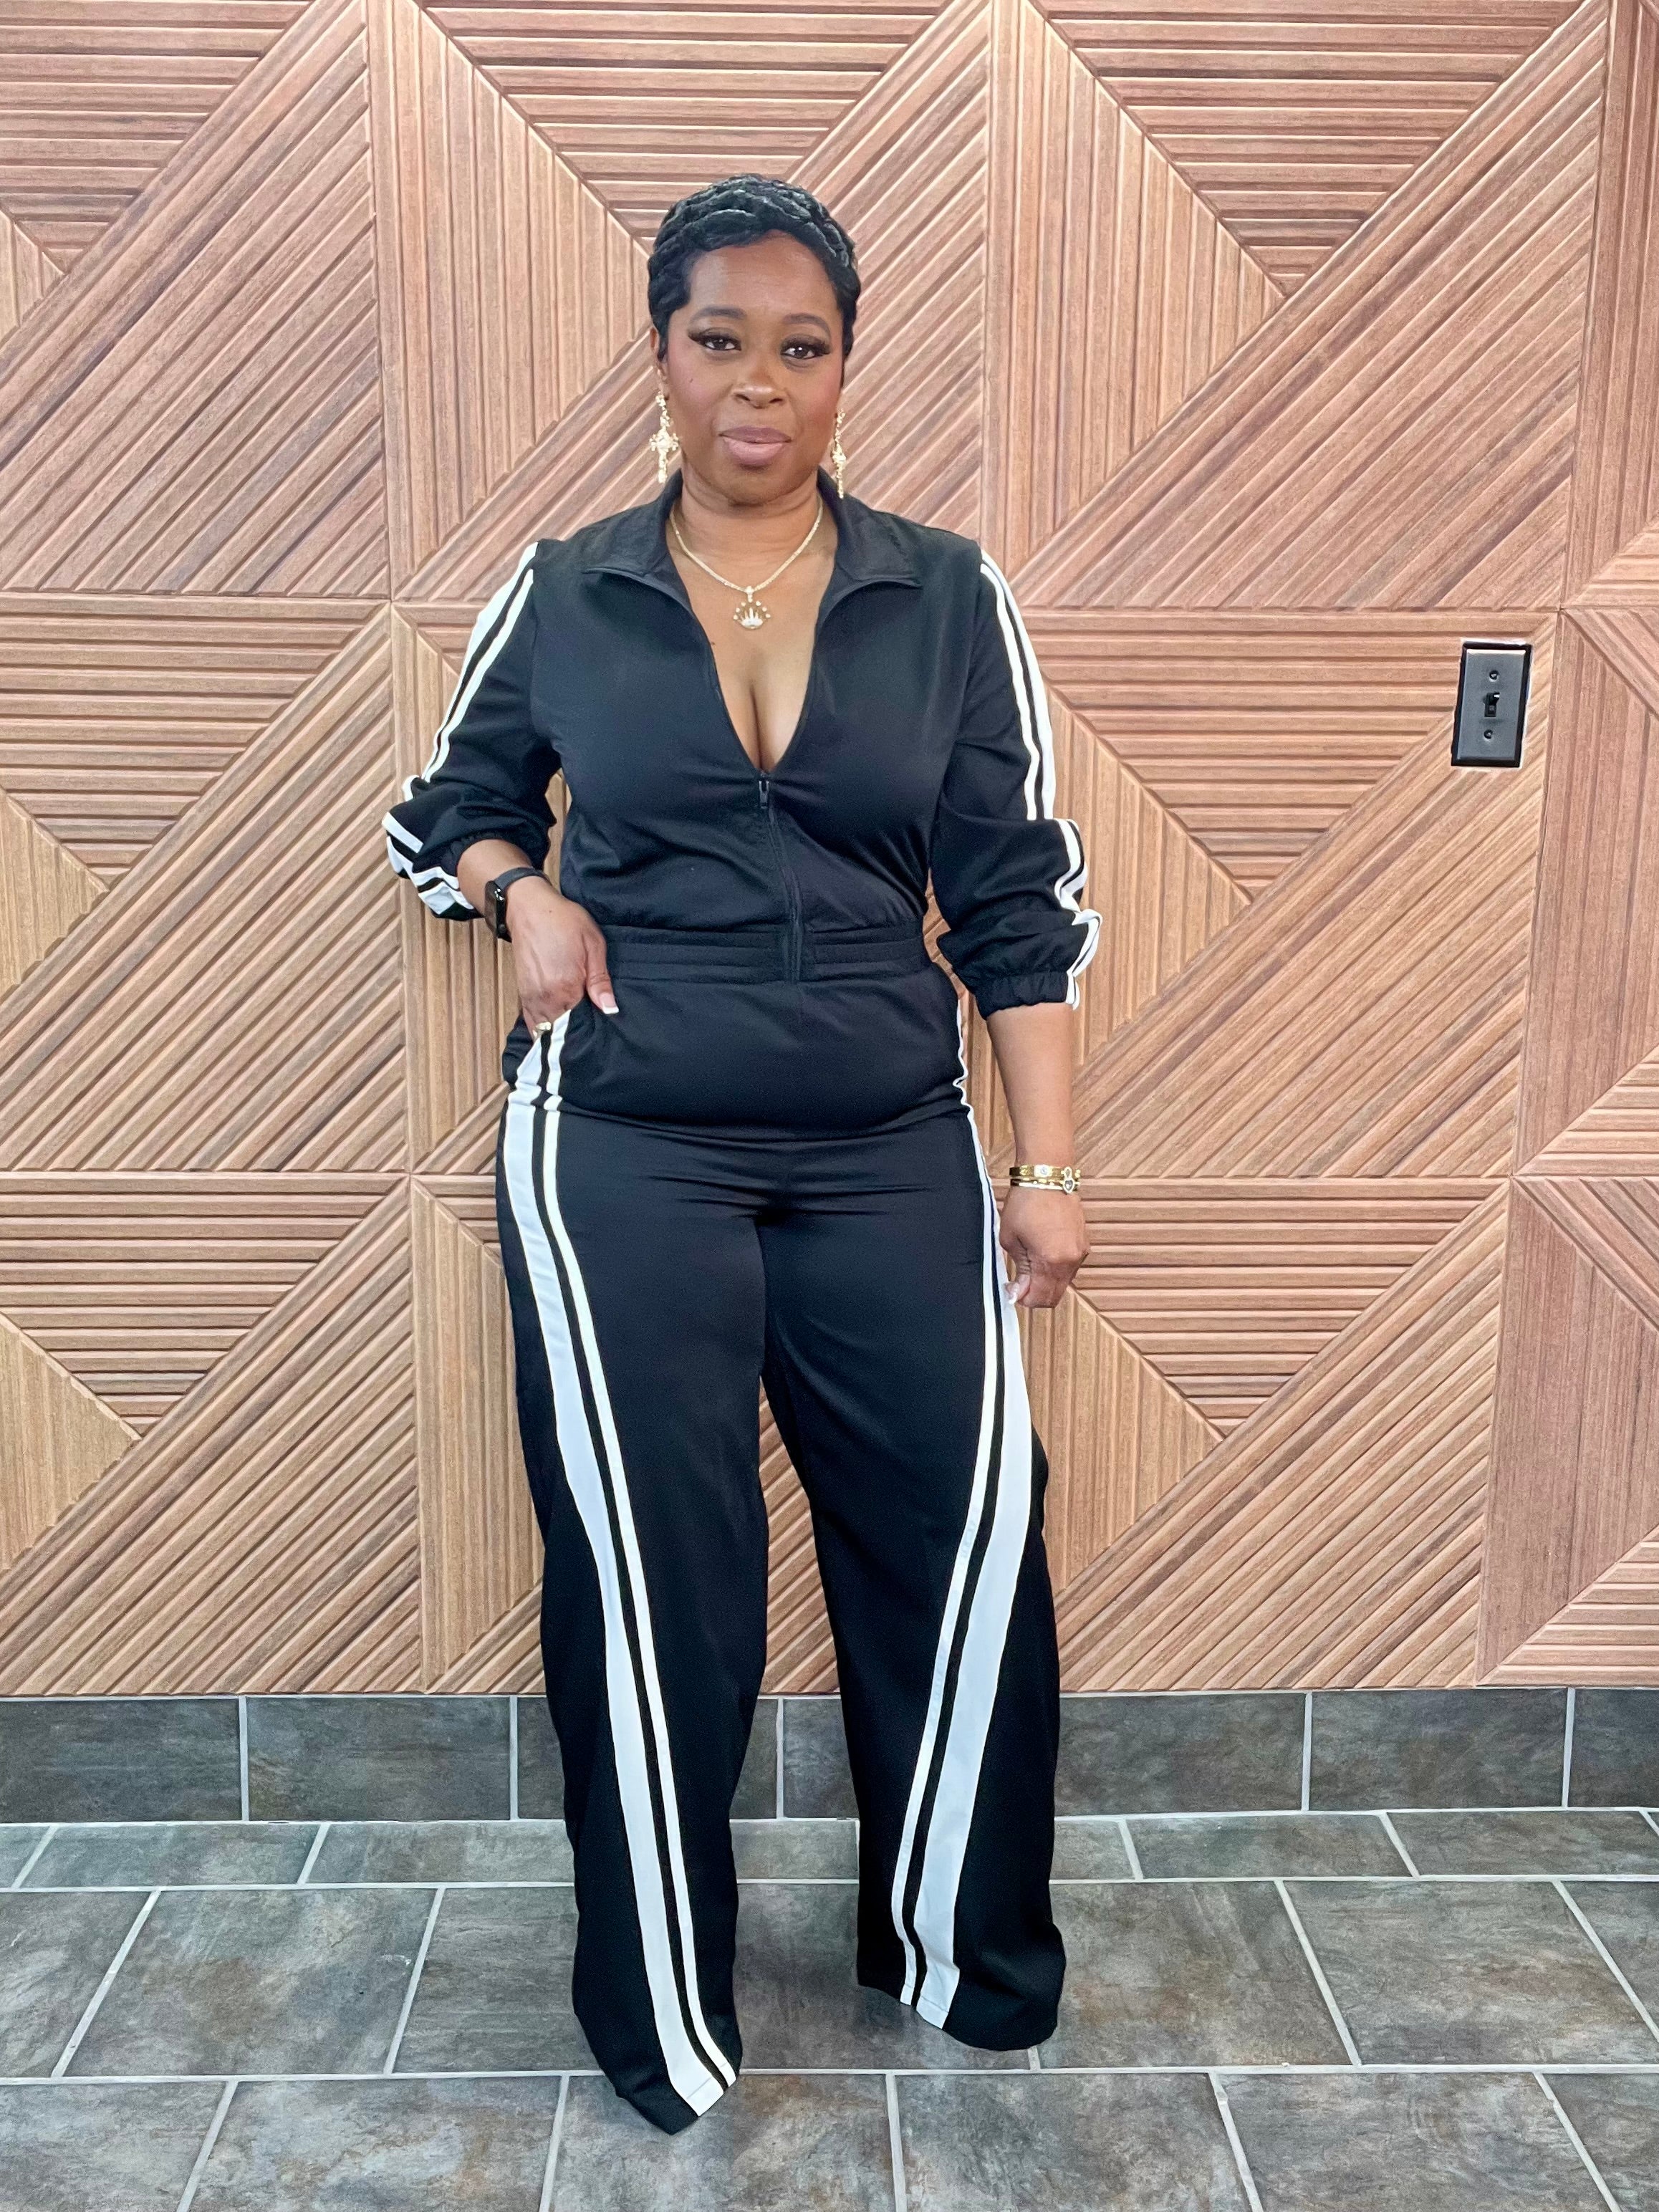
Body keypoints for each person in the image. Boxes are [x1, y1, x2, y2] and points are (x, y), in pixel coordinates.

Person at [383, 173, 1101, 2135]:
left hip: (889, 1139)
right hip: (624, 1139)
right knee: (655, 1575)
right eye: (721, 342)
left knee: (963, 1539)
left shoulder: (946, 598)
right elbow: (443, 805)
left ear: (844, 367)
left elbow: (1015, 896)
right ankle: (662, 2017)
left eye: (802, 347)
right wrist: (520, 887)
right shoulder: (568, 588)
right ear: (663, 354)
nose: (759, 384)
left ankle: (961, 1957)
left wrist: (1045, 1169)